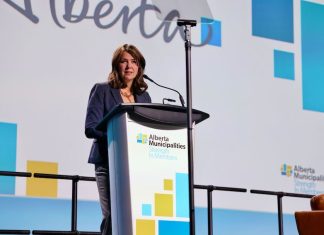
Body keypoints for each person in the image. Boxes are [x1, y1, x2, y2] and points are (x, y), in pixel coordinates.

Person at [84, 44, 151, 235]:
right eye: (124, 61)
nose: (129, 66)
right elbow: (90, 128)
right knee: (113, 216)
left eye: (134, 61)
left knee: (134, 216)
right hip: (108, 161)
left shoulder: (144, 96)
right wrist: (119, 138)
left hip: (136, 165)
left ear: (139, 67)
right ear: (116, 65)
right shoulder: (102, 90)